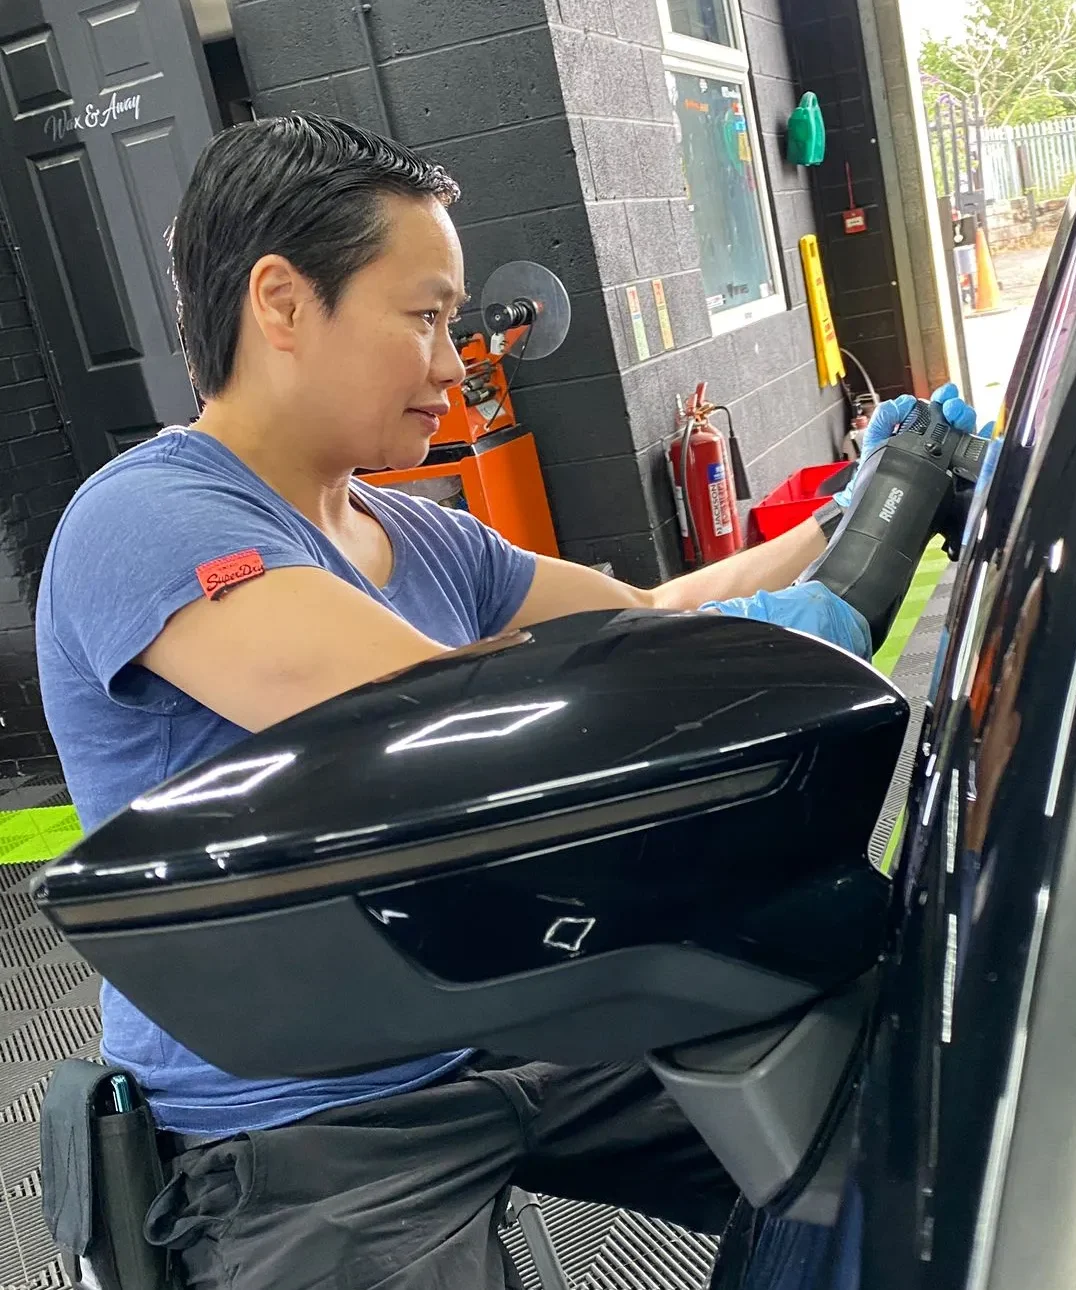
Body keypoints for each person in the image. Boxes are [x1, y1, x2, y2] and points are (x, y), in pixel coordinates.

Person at [34, 112, 984, 1289]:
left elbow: (647, 612)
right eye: (425, 316)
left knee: (898, 1115)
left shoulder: (418, 534)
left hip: (504, 1011)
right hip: (293, 1116)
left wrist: (861, 506)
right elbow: (423, 713)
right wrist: (764, 644)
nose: (452, 361)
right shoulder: (148, 521)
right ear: (281, 303)